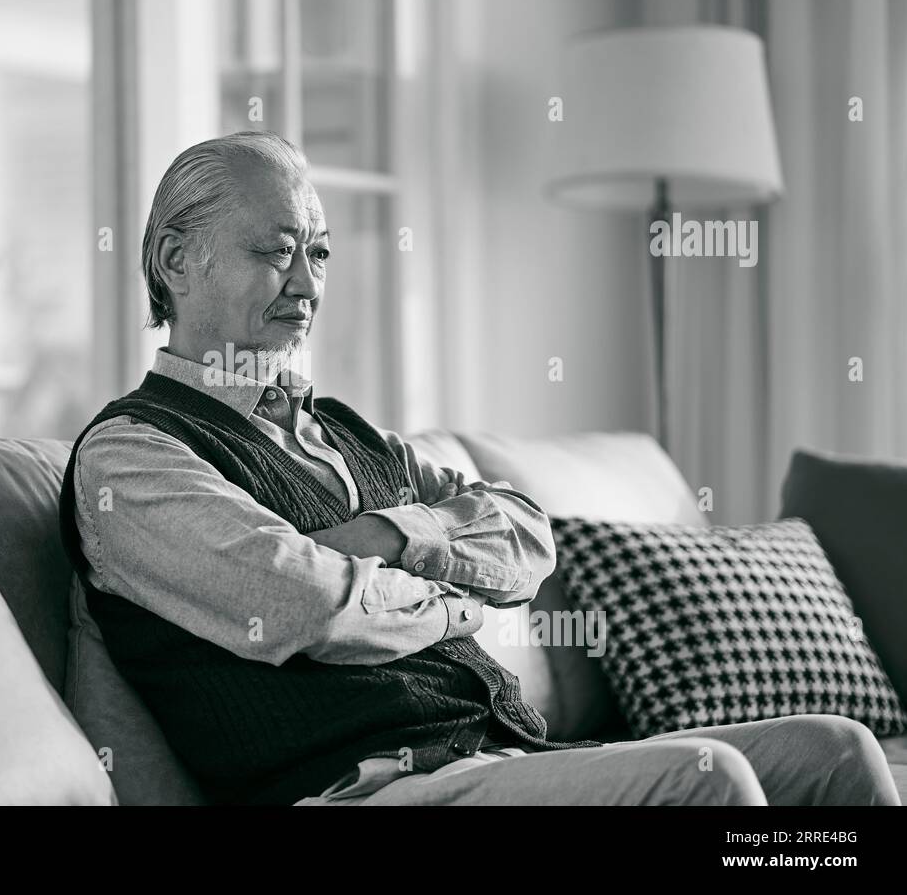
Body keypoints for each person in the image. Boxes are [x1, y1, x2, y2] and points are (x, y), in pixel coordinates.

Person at [57, 131, 901, 807]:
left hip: (503, 752)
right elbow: (306, 605)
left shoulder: (343, 431)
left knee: (835, 749)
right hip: (368, 784)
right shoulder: (135, 454)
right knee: (705, 782)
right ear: (175, 260)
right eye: (277, 252)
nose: (307, 285)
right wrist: (453, 601)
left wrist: (389, 533)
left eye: (319, 253)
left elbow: (528, 536)